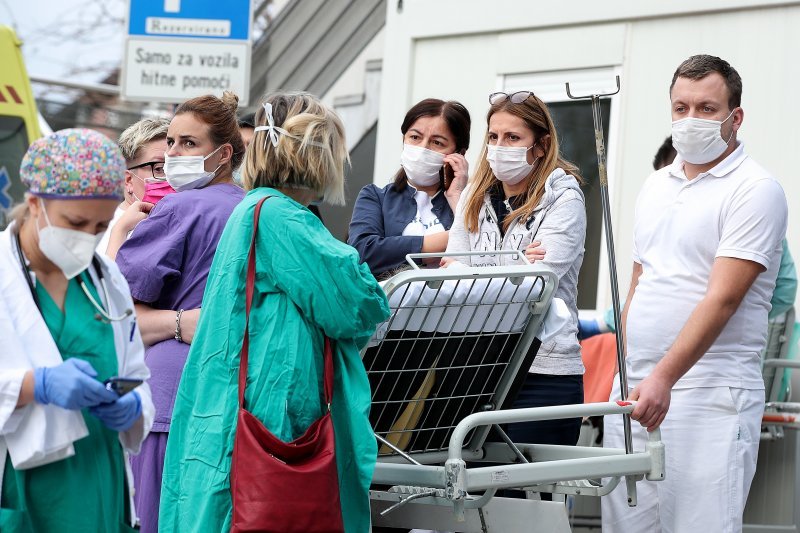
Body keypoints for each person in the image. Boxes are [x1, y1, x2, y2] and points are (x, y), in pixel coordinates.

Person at [159, 91, 390, 532]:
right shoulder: (284, 217)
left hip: (229, 403)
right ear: (314, 152)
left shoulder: (254, 207)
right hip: (271, 408)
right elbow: (355, 305)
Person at [602, 55, 788, 532]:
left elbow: (722, 299)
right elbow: (641, 281)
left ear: (735, 117)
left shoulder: (756, 189)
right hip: (635, 393)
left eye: (706, 108)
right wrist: (625, 370)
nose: (690, 120)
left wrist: (664, 376)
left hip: (708, 398)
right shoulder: (655, 184)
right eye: (680, 107)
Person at [0, 128, 154, 531]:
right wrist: (37, 385)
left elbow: (136, 376)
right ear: (35, 203)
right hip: (26, 487)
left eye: (101, 226)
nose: (88, 238)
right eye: (75, 222)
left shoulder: (107, 281)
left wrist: (133, 407)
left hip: (100, 478)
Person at [115, 92, 246, 533]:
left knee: (152, 517)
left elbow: (118, 310)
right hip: (235, 397)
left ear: (224, 153)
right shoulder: (260, 210)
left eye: (188, 144)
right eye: (170, 143)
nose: (172, 155)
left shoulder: (179, 209)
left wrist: (174, 322)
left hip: (168, 397)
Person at [443, 90, 586, 448]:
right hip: (478, 367)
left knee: (529, 497)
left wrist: (471, 271)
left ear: (541, 145)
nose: (499, 146)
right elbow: (448, 275)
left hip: (545, 373)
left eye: (512, 137)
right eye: (493, 136)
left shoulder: (565, 198)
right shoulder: (474, 196)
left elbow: (538, 285)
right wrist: (518, 262)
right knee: (477, 495)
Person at [578, 136, 796, 339]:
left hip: (720, 353)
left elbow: (784, 288)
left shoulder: (746, 209)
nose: (667, 192)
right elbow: (651, 287)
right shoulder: (662, 215)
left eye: (671, 180)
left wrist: (729, 317)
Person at [348, 98, 471, 279]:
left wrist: (457, 197)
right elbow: (363, 252)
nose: (422, 148)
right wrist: (445, 240)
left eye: (437, 142)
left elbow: (483, 249)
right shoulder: (375, 197)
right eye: (415, 137)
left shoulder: (475, 201)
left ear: (458, 153)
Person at [98, 117, 172, 259]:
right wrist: (120, 232)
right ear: (129, 180)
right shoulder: (100, 230)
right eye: (159, 168)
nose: (171, 178)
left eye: (174, 167)